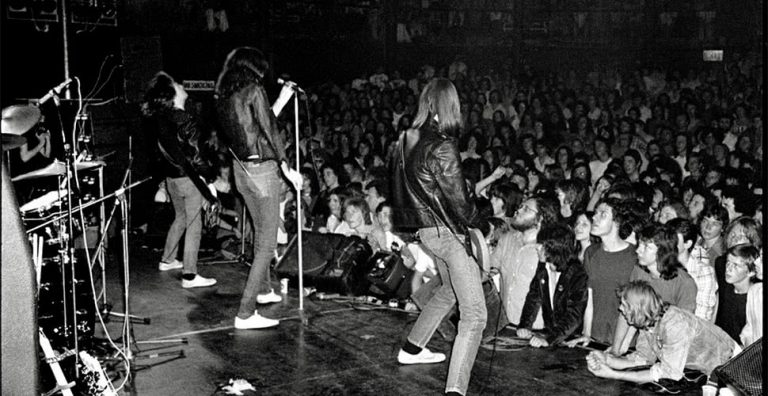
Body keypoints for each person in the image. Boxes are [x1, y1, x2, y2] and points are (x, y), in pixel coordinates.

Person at [391, 78, 485, 396]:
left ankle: (413, 348)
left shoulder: (408, 139)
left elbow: (403, 193)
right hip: (447, 234)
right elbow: (460, 203)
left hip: (426, 231)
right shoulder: (442, 144)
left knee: (448, 291)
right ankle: (455, 390)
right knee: (475, 315)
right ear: (449, 105)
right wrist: (483, 223)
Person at [214, 47, 302, 330]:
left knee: (258, 231)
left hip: (241, 171)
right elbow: (272, 132)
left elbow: (258, 125)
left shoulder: (225, 94)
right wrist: (288, 168)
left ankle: (263, 291)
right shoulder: (253, 89)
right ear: (254, 68)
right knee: (266, 243)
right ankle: (245, 313)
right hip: (263, 172)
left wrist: (283, 100)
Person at [142, 71, 218, 289]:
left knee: (181, 217)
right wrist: (209, 177)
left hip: (171, 179)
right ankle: (190, 275)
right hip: (188, 179)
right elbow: (196, 155)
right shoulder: (184, 118)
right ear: (173, 94)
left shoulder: (159, 118)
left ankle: (167, 259)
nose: (182, 86)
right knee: (195, 223)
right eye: (177, 84)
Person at [586, 281, 737, 384]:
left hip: (732, 366)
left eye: (625, 305)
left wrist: (613, 374)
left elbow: (670, 373)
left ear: (638, 309)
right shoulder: (649, 320)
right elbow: (644, 358)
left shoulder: (675, 324)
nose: (620, 309)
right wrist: (608, 360)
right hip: (707, 369)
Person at [516, 223, 588, 348]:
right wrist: (524, 325)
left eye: (542, 246)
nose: (537, 249)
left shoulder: (577, 274)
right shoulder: (544, 266)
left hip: (571, 340)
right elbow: (534, 296)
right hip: (549, 333)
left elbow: (574, 315)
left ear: (555, 249)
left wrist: (550, 339)